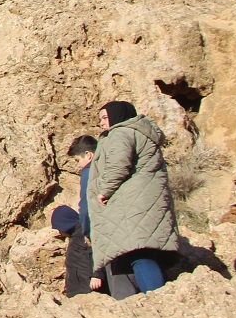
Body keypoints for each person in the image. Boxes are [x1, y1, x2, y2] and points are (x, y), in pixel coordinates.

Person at [87, 100, 179, 299]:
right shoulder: (141, 133)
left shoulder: (121, 133)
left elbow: (118, 164)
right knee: (145, 252)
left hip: (133, 203)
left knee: (138, 253)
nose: (101, 123)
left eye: (105, 117)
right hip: (146, 201)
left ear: (118, 116)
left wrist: (104, 191)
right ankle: (162, 297)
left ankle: (156, 300)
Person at [51, 135, 106, 297]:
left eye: (77, 160)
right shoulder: (105, 170)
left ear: (88, 155)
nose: (78, 165)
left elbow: (86, 205)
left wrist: (97, 274)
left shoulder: (89, 172)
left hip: (85, 291)